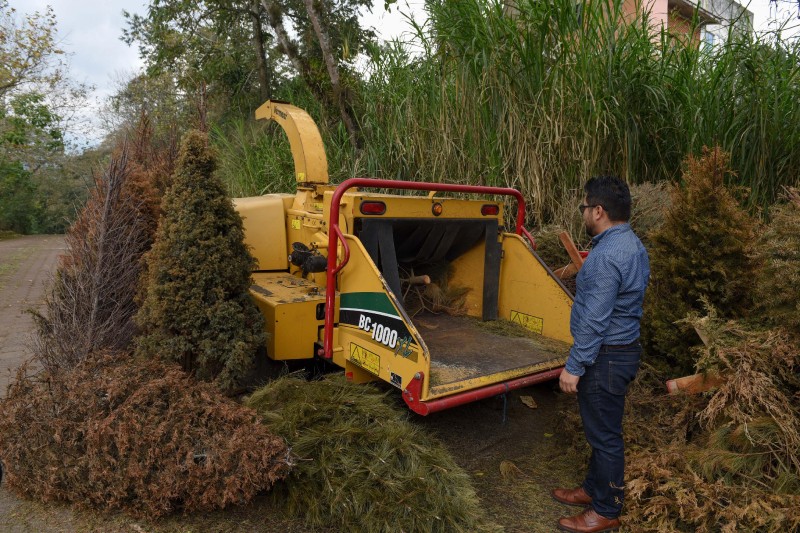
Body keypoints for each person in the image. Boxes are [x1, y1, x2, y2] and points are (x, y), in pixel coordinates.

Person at [552, 175, 650, 533]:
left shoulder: (605, 257)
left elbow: (594, 321)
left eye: (584, 207)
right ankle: (592, 489)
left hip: (605, 357)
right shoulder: (633, 244)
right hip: (623, 352)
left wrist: (574, 367)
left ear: (598, 211)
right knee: (601, 429)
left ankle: (607, 509)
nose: (583, 213)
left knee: (605, 437)